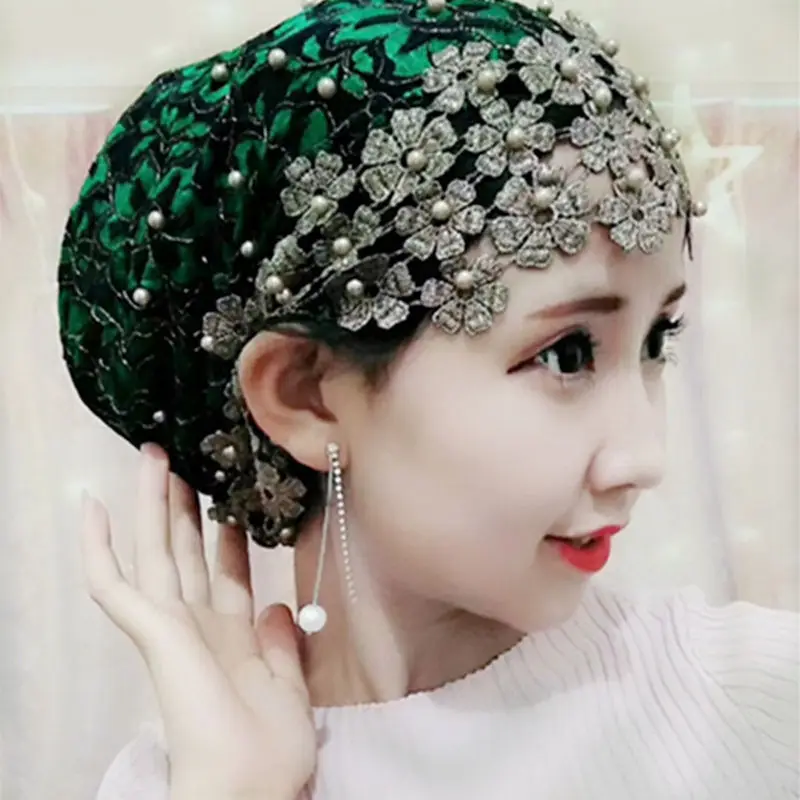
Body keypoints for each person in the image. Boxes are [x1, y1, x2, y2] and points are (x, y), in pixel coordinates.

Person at [58, 0, 799, 798]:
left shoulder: (760, 696)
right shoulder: (172, 785)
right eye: (568, 354)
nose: (645, 457)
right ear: (306, 394)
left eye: (658, 340)